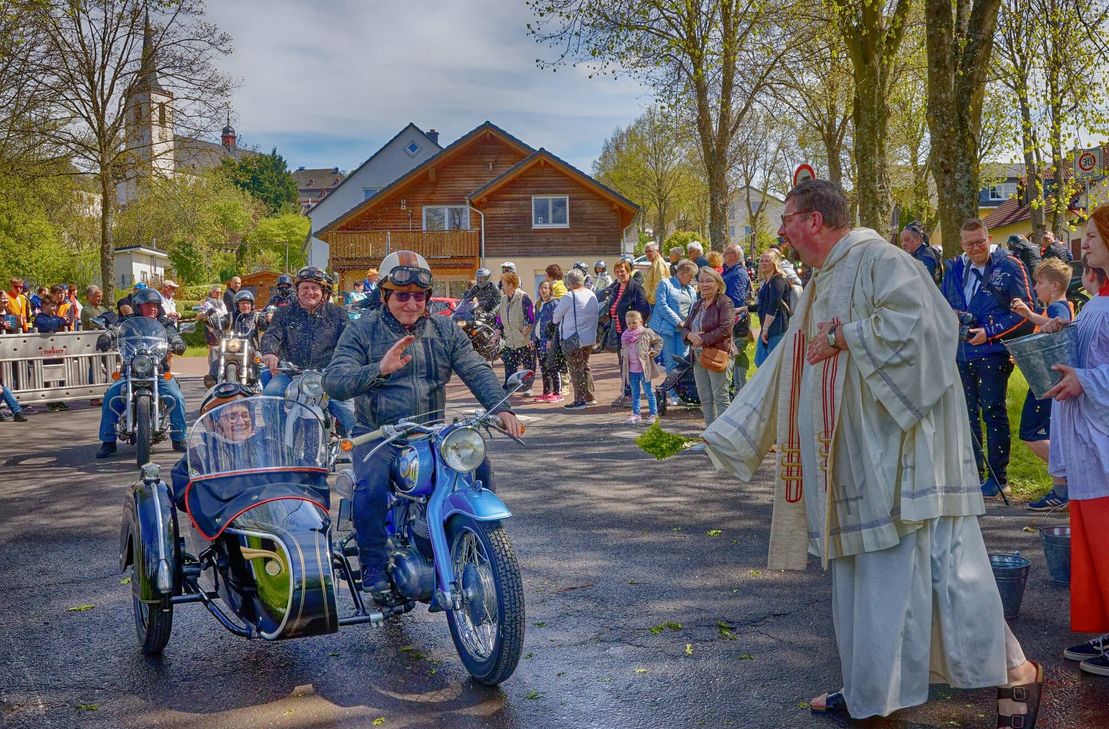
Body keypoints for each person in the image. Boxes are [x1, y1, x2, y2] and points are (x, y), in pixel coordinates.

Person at [703, 179, 1042, 725]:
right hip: (851, 458)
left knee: (940, 573)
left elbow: (928, 329)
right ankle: (868, 686)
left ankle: (1014, 675)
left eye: (788, 217)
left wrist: (847, 336)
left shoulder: (882, 259)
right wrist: (728, 432)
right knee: (865, 578)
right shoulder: (822, 280)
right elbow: (784, 367)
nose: (781, 230)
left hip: (904, 457)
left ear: (815, 220)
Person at [322, 250, 522, 600]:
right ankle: (372, 568)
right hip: (380, 433)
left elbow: (474, 367)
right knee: (369, 488)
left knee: (480, 468)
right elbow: (334, 381)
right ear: (385, 295)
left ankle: (477, 543)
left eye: (419, 295)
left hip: (431, 430)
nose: (411, 303)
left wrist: (501, 408)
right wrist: (378, 370)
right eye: (402, 295)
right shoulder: (363, 330)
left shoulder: (444, 328)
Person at [1039, 212, 1109, 678]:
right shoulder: (1097, 299)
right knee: (1092, 539)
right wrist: (1063, 337)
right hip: (1087, 437)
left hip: (1101, 437)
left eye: (1093, 237)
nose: (1084, 245)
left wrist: (1085, 380)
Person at [940, 218, 1034, 497]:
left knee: (993, 413)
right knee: (966, 416)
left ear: (989, 238)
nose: (976, 247)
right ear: (962, 245)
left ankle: (998, 477)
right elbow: (943, 303)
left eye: (980, 241)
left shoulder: (1010, 265)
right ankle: (973, 475)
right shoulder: (954, 268)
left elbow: (1026, 311)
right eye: (969, 244)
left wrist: (990, 332)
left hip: (993, 352)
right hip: (961, 351)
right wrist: (951, 315)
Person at [1009, 258, 1074, 511]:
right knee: (1049, 435)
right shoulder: (1056, 307)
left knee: (1030, 434)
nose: (1035, 287)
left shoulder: (1057, 309)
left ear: (1055, 286)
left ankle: (1066, 483)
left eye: (1040, 282)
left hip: (1047, 384)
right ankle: (1063, 486)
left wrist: (1028, 314)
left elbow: (1057, 330)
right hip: (1049, 382)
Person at [261, 266, 354, 434]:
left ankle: (361, 449)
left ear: (324, 292)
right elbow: (271, 334)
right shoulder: (284, 313)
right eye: (304, 287)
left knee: (350, 412)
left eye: (315, 288)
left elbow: (349, 342)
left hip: (328, 375)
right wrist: (270, 353)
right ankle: (278, 440)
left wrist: (347, 363)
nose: (309, 292)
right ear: (297, 290)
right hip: (290, 374)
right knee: (270, 396)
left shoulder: (338, 314)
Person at [95, 289, 188, 458]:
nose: (152, 308)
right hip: (130, 371)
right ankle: (108, 442)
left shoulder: (164, 323)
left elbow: (173, 334)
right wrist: (107, 336)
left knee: (176, 396)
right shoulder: (128, 322)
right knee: (111, 396)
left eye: (155, 305)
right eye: (148, 305)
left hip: (158, 372)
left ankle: (179, 437)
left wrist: (177, 341)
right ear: (138, 306)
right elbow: (117, 329)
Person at [681, 266, 735, 444]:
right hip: (697, 356)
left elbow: (725, 329)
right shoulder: (697, 304)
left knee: (720, 396)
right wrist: (689, 335)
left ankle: (725, 437)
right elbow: (686, 328)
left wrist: (702, 339)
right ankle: (710, 437)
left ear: (718, 284)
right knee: (705, 397)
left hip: (717, 354)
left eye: (709, 281)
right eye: (701, 281)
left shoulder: (724, 302)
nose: (704, 285)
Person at [600, 259, 650, 405]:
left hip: (632, 335)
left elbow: (644, 310)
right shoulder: (617, 288)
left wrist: (635, 327)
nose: (620, 274)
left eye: (622, 271)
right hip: (619, 332)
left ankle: (632, 396)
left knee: (633, 365)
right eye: (617, 272)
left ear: (628, 271)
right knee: (623, 363)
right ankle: (626, 393)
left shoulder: (636, 288)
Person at [649, 260, 698, 405]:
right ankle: (673, 394)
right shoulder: (666, 284)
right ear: (681, 273)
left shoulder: (691, 289)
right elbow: (662, 306)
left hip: (684, 331)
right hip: (668, 329)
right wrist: (679, 322)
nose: (691, 279)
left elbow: (693, 308)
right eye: (690, 276)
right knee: (670, 361)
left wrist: (688, 325)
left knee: (683, 360)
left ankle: (684, 393)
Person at [553, 268, 600, 410]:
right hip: (589, 338)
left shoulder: (570, 296)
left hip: (573, 338)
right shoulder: (591, 294)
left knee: (575, 369)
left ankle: (579, 400)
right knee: (584, 365)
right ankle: (590, 396)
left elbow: (556, 316)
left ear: (570, 282)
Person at [496, 271, 536, 396]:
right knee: (509, 364)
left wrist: (525, 331)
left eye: (503, 283)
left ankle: (528, 387)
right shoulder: (503, 300)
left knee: (528, 364)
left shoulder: (524, 297)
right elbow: (499, 318)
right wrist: (497, 332)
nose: (501, 286)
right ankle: (510, 386)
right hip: (509, 339)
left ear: (511, 285)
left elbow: (531, 317)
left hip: (524, 339)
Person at [620, 310, 662, 424]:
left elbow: (659, 341)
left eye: (634, 322)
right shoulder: (625, 336)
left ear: (640, 321)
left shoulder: (646, 332)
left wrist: (654, 352)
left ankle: (654, 414)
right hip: (631, 370)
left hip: (644, 369)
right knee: (635, 392)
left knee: (648, 391)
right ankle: (636, 414)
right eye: (629, 323)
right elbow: (624, 349)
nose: (631, 326)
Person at [722, 244, 753, 394]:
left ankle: (737, 390)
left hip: (736, 321)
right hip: (733, 320)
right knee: (737, 356)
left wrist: (729, 319)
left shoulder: (738, 273)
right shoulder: (731, 271)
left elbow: (736, 299)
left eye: (727, 253)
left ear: (735, 255)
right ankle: (741, 390)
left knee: (733, 354)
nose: (723, 255)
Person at [755, 250, 791, 366]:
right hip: (766, 326)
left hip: (777, 326)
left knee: (770, 364)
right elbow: (763, 304)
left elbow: (774, 305)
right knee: (760, 361)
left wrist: (765, 328)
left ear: (774, 263)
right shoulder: (767, 281)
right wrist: (743, 308)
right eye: (761, 261)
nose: (764, 263)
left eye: (767, 261)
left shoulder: (778, 280)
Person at [533, 280, 565, 402]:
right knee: (544, 367)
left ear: (550, 290)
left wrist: (552, 338)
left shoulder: (555, 303)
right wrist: (532, 337)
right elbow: (536, 321)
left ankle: (558, 392)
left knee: (553, 366)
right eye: (541, 288)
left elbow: (556, 322)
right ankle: (547, 391)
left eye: (546, 288)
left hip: (549, 340)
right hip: (539, 340)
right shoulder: (539, 304)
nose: (543, 290)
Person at [642, 242, 670, 310]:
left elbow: (659, 284)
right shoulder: (655, 263)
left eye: (650, 251)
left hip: (655, 303)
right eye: (646, 251)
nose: (648, 253)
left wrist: (652, 301)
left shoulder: (658, 263)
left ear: (657, 251)